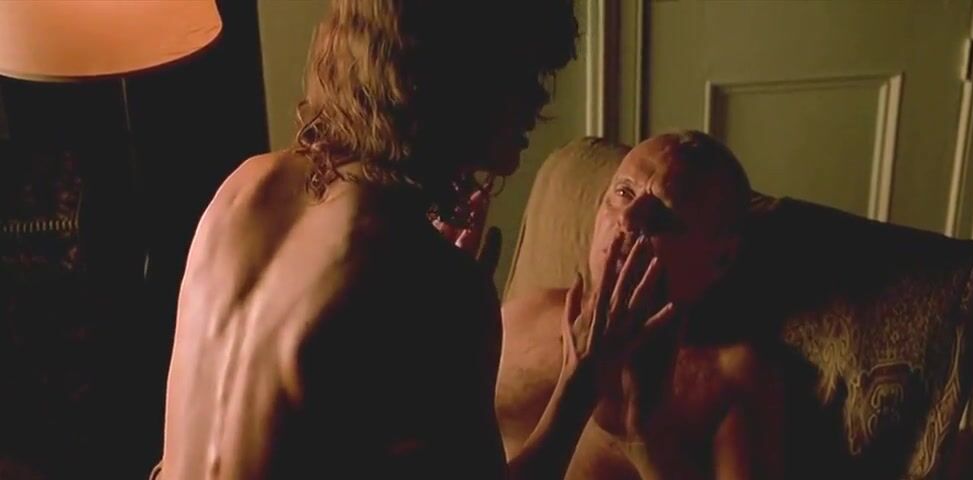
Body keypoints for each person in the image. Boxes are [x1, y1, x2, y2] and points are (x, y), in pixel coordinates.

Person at [153, 1, 670, 478]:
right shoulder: (434, 284)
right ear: (449, 81)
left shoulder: (243, 185)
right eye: (520, 74)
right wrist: (581, 381)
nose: (539, 99)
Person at [496, 130, 788, 479]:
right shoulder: (527, 313)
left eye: (663, 214)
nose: (627, 219)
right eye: (623, 193)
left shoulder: (731, 381)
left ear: (721, 256)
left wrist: (646, 436)